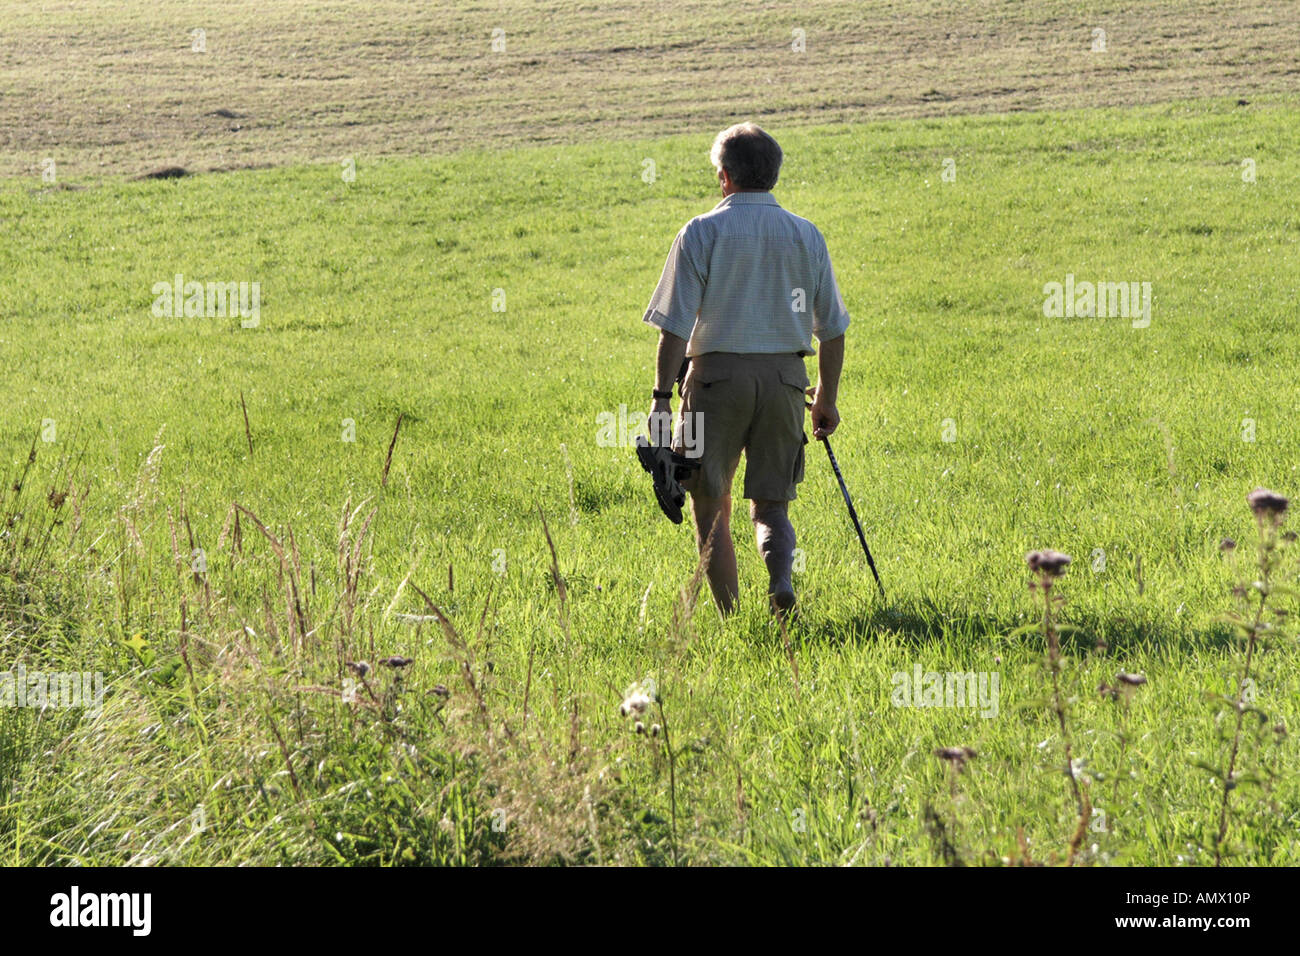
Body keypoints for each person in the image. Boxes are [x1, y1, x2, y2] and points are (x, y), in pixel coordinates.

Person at [642, 122, 850, 615]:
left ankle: (732, 617)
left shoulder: (701, 231)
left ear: (724, 177)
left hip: (712, 380)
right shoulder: (806, 235)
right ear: (773, 175)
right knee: (772, 505)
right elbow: (833, 329)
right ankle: (781, 581)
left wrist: (660, 400)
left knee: (709, 502)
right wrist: (825, 399)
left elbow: (673, 328)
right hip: (785, 381)